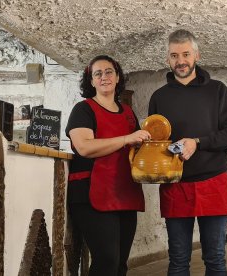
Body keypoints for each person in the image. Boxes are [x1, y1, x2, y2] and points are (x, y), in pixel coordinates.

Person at [148, 29, 227, 276]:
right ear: (168, 59)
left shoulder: (218, 90)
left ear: (197, 55)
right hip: (175, 185)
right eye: (174, 55)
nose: (180, 61)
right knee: (178, 261)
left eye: (186, 54)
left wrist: (197, 143)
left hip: (213, 181)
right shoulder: (159, 97)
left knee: (215, 259)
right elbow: (156, 145)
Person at [66, 55, 151, 276]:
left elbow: (138, 150)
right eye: (98, 73)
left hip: (125, 192)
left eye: (109, 72)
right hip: (92, 193)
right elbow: (84, 147)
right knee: (106, 262)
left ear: (118, 76)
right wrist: (126, 139)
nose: (104, 77)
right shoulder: (83, 110)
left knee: (121, 263)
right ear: (91, 81)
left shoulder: (128, 113)